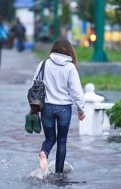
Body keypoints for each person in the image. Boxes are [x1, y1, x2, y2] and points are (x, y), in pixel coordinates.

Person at [32, 38, 85, 174]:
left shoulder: (44, 64)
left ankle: (44, 153)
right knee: (62, 141)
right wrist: (81, 109)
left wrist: (33, 108)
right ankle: (59, 174)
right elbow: (76, 91)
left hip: (47, 108)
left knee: (50, 138)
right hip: (64, 109)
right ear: (69, 50)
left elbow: (35, 85)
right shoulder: (70, 67)